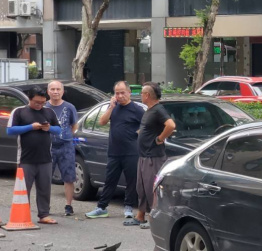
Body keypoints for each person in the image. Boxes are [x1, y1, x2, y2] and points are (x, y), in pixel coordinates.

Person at [86, 81, 144, 221]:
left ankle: (129, 207)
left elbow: (147, 126)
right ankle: (102, 207)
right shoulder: (114, 107)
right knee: (110, 180)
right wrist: (111, 107)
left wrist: (136, 133)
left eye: (122, 92)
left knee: (131, 180)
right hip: (114, 151)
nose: (120, 96)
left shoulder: (137, 109)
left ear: (129, 92)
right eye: (117, 93)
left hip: (131, 151)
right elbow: (102, 122)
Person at [5, 87, 61, 224]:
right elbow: (10, 130)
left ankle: (44, 214)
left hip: (45, 158)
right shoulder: (19, 112)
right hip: (26, 158)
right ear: (29, 99)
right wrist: (31, 127)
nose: (40, 105)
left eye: (42, 102)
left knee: (45, 188)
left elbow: (58, 129)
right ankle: (23, 214)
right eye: (37, 102)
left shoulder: (49, 111)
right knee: (24, 189)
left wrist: (49, 128)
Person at [134, 82, 175, 229]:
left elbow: (171, 125)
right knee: (142, 187)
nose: (141, 96)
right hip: (143, 155)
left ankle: (155, 219)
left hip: (154, 157)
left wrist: (159, 139)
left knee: (153, 188)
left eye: (142, 93)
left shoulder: (158, 109)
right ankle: (140, 216)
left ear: (147, 95)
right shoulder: (149, 110)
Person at [46, 81, 79, 216]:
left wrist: (68, 136)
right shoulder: (44, 107)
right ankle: (45, 205)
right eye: (52, 89)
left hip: (66, 145)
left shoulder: (69, 107)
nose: (55, 92)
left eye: (58, 89)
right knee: (46, 176)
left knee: (69, 176)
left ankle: (68, 205)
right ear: (48, 91)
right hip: (48, 146)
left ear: (63, 91)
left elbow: (74, 125)